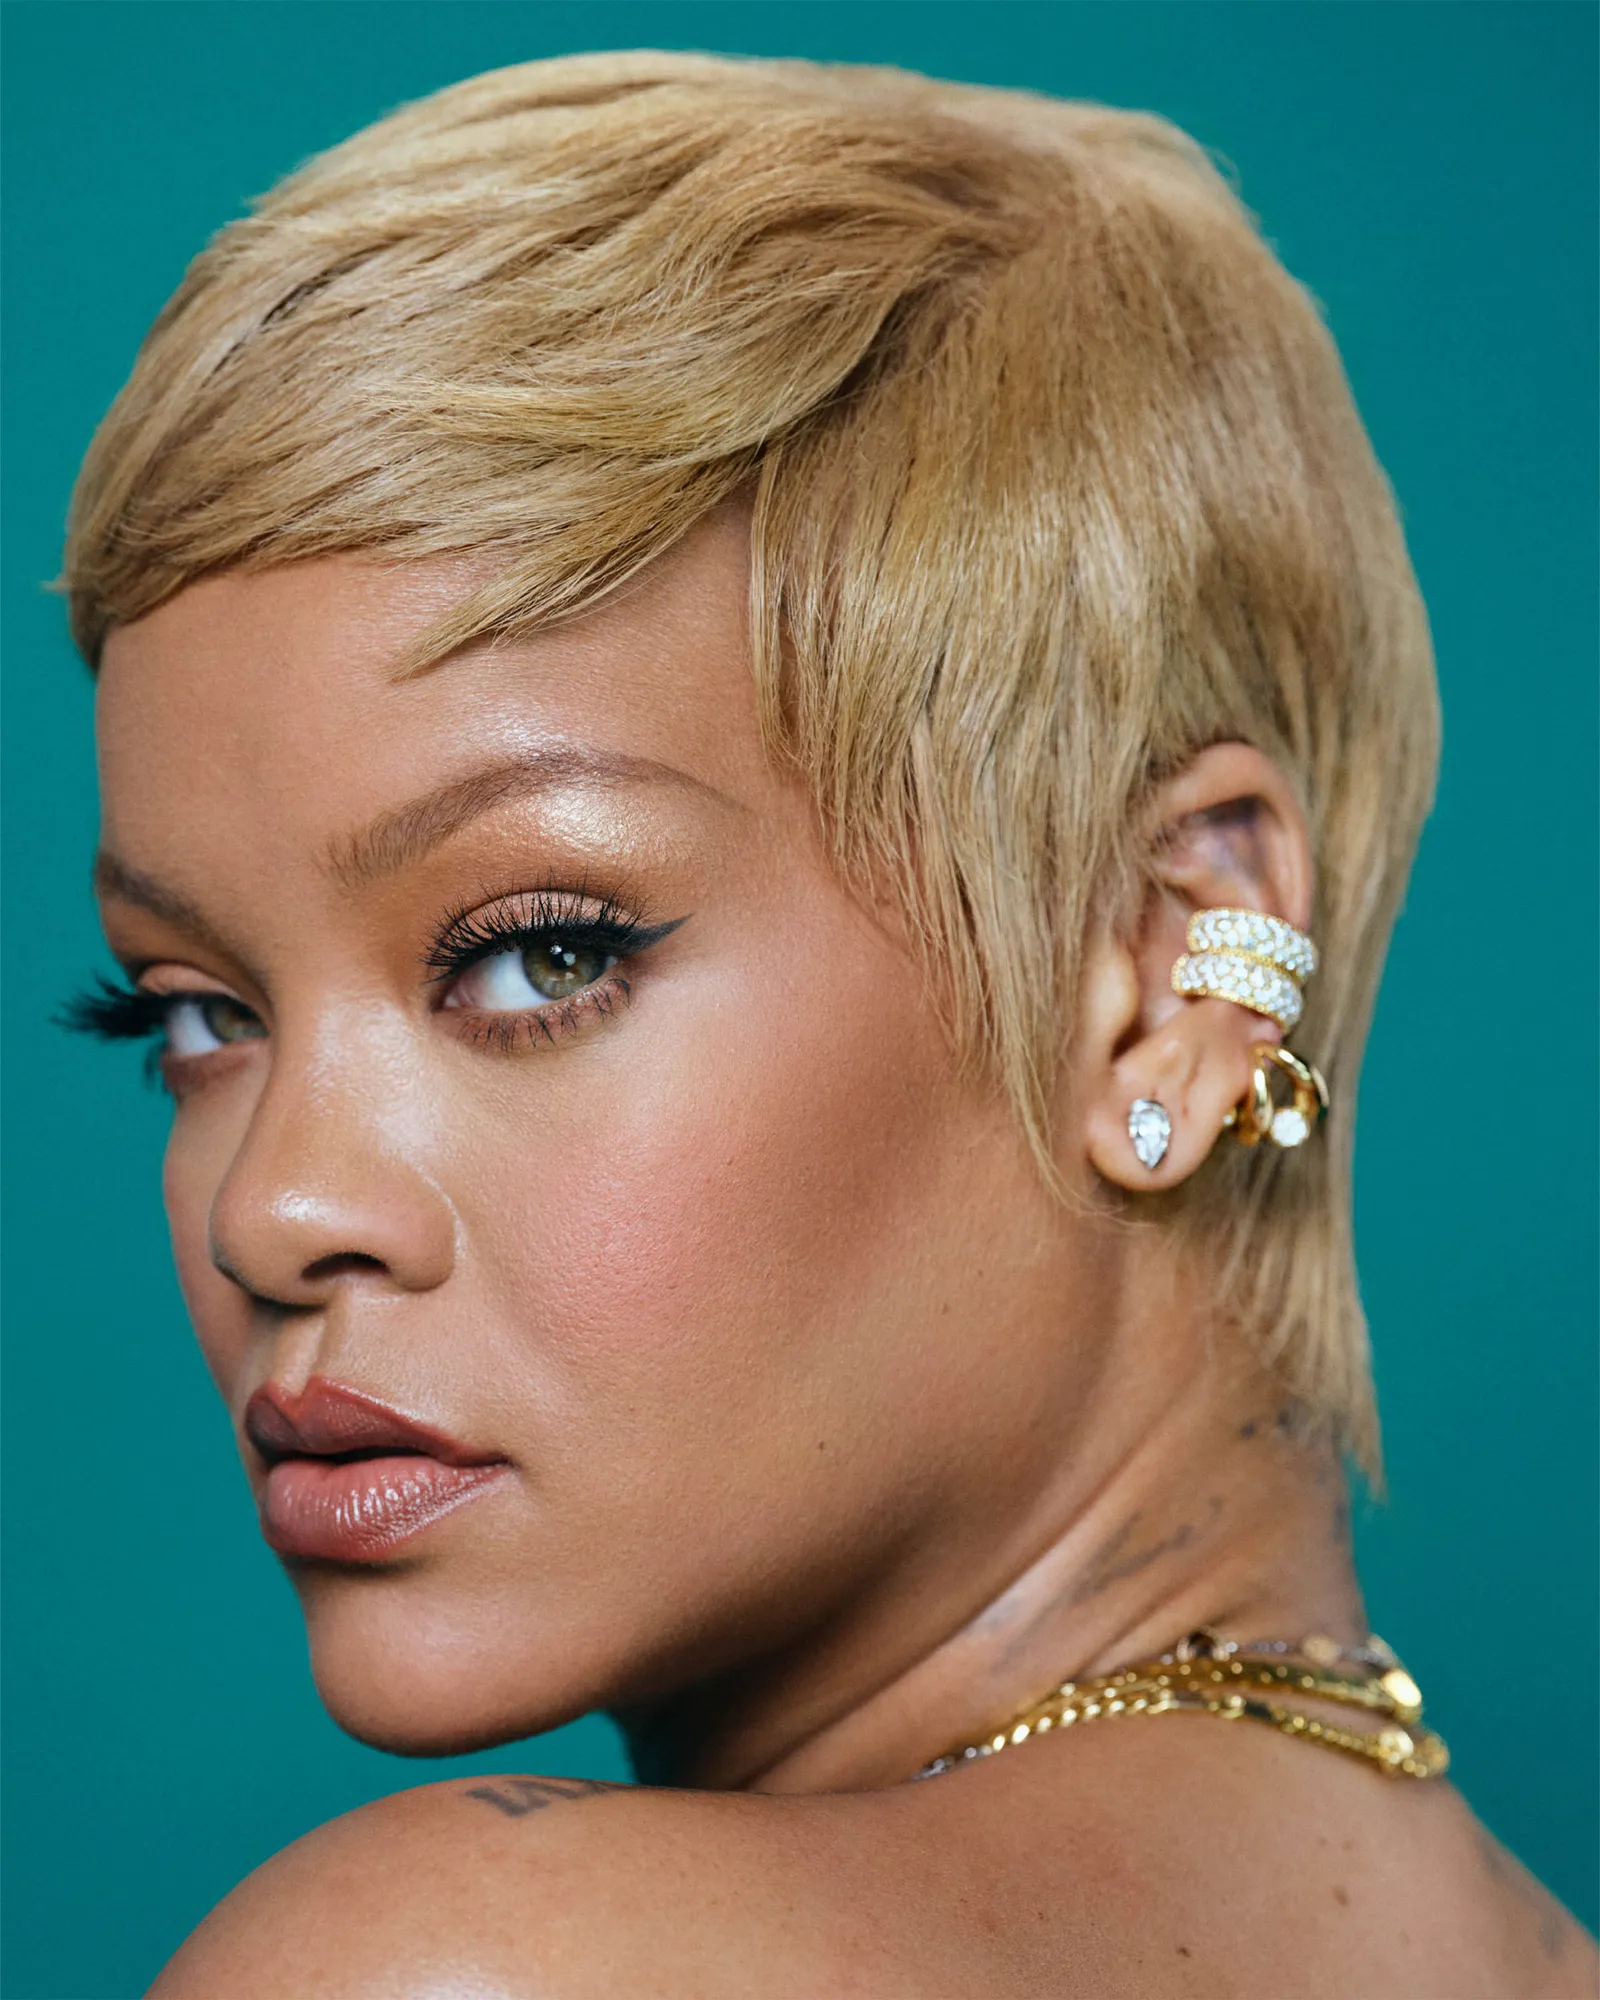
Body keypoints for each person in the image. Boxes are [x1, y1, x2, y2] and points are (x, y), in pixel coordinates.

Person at [62, 50, 1593, 1998]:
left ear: (1164, 977)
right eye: (193, 1011)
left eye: (537, 954)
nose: (271, 1209)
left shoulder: (478, 1965)